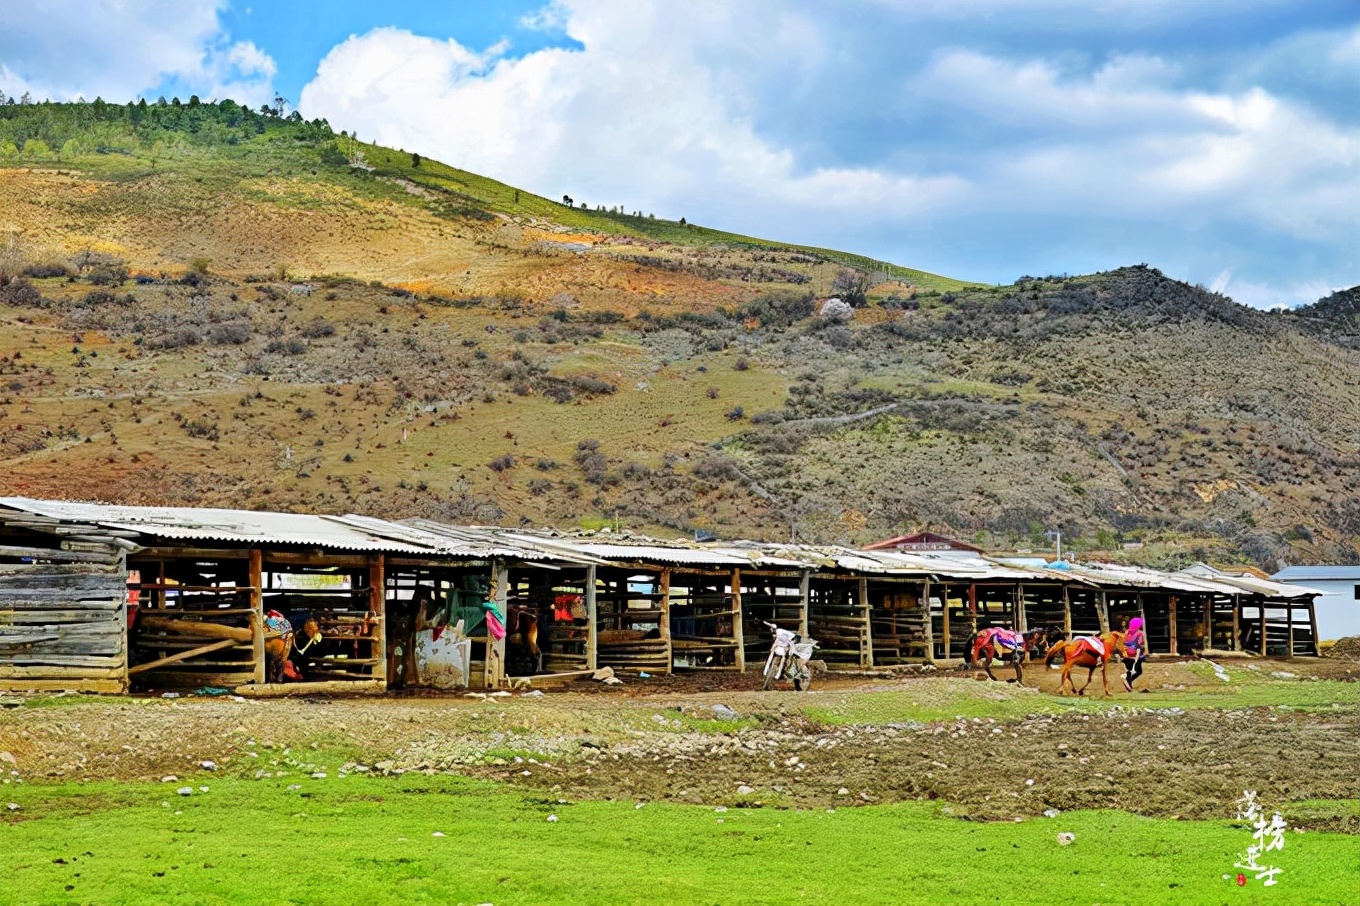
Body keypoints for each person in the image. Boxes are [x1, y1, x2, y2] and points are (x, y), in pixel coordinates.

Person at [1122, 616, 1148, 691]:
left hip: (1127, 654)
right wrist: (1136, 657)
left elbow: (1124, 642)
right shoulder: (1139, 633)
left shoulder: (1127, 631)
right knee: (1138, 671)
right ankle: (1125, 679)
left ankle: (1129, 686)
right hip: (1135, 655)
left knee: (1130, 671)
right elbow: (1138, 646)